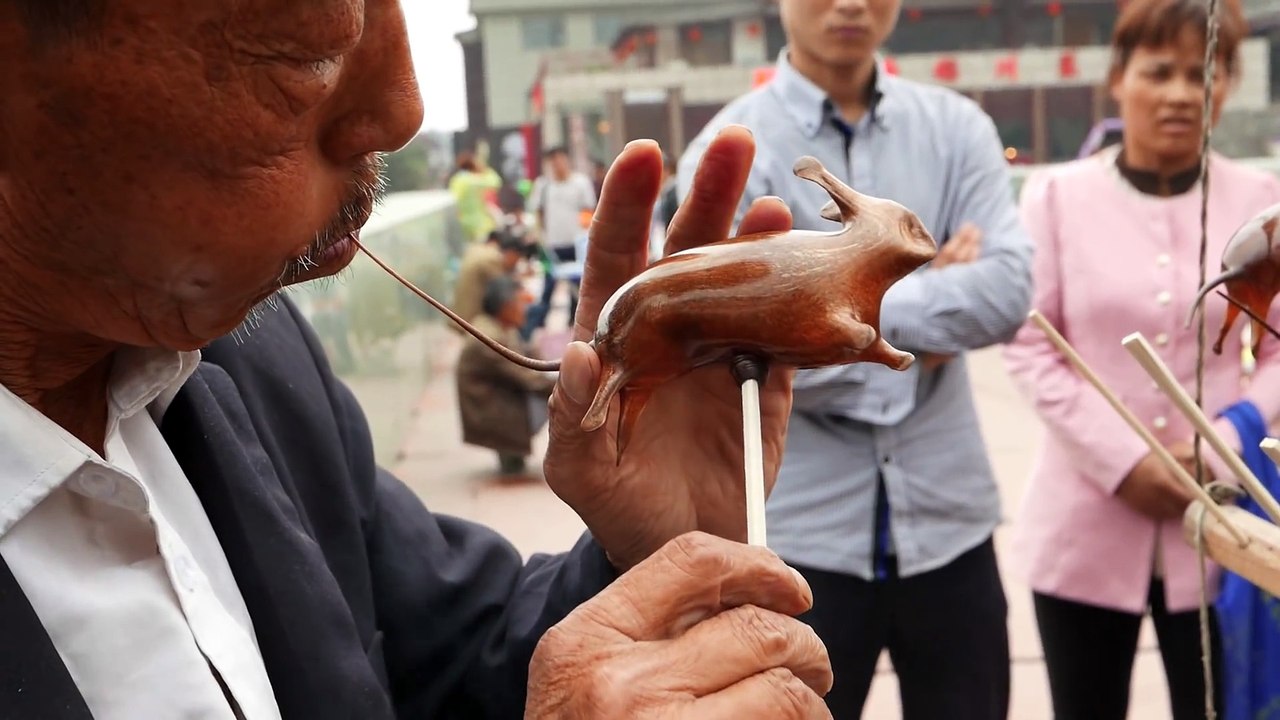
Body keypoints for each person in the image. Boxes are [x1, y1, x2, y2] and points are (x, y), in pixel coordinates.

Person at [0, 2, 835, 718]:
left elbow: (448, 663)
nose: (401, 109)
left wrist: (656, 556)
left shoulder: (244, 363)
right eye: (305, 54)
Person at [678, 0, 1033, 716]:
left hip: (950, 527)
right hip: (799, 544)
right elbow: (723, 340)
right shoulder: (729, 150)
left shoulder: (958, 129)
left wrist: (819, 314)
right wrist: (925, 313)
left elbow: (1006, 293)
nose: (849, 4)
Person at [1001, 0, 1280, 717]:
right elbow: (1031, 343)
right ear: (1118, 79)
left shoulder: (1264, 203)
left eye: (1206, 71)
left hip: (1226, 524)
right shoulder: (1056, 195)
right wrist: (1126, 461)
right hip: (1085, 519)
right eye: (1160, 72)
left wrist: (1224, 439)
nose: (1184, 92)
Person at [456, 276, 557, 475]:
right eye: (521, 303)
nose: (525, 309)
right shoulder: (489, 337)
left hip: (498, 394)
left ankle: (512, 458)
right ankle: (511, 459)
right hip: (489, 408)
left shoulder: (499, 326)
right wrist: (572, 387)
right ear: (506, 306)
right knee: (552, 397)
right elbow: (526, 377)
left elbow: (524, 357)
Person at [528, 146, 596, 331]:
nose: (557, 165)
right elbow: (539, 212)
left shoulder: (580, 183)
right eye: (553, 161)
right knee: (549, 284)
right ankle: (538, 324)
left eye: (560, 159)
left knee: (578, 286)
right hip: (553, 243)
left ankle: (575, 321)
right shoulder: (543, 186)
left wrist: (585, 234)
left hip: (576, 243)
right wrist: (540, 234)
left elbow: (588, 210)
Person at [449, 228, 530, 332]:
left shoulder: (478, 249)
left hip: (460, 311)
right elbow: (504, 290)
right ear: (512, 253)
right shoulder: (493, 258)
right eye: (517, 260)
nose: (515, 264)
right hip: (470, 316)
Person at [447, 149, 503, 244]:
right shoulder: (472, 180)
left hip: (464, 225)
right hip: (480, 226)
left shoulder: (456, 180)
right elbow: (496, 182)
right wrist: (485, 168)